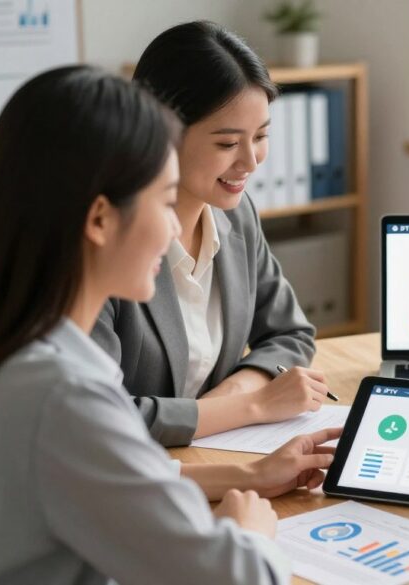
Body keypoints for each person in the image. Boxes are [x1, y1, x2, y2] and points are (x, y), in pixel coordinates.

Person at [0, 65, 341, 584]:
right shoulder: (63, 396)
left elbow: (108, 477)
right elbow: (236, 579)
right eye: (164, 199)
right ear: (101, 219)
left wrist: (251, 474)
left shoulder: (31, 358)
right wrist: (249, 535)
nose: (177, 226)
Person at [91, 21, 330, 447]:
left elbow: (290, 333)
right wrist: (249, 406)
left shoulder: (236, 217)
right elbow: (98, 417)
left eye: (260, 137)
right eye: (226, 144)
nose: (251, 162)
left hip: (214, 457)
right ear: (159, 132)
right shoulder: (106, 240)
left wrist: (237, 391)